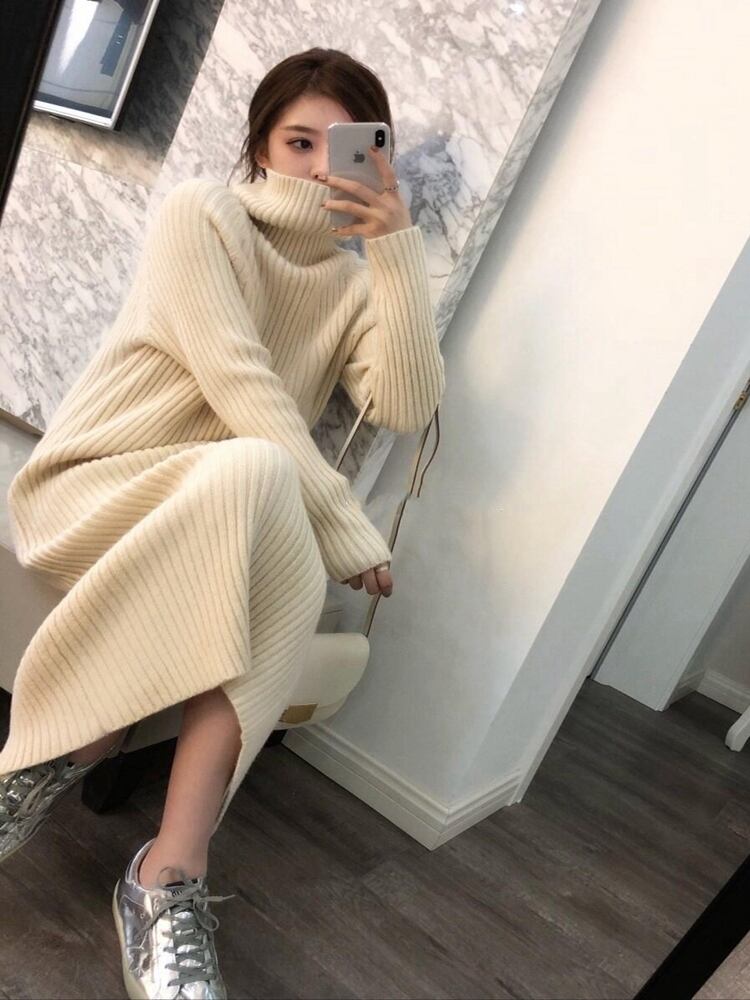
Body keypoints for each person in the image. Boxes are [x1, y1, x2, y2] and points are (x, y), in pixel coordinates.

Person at [0, 47, 445, 999]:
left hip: (223, 505)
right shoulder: (203, 214)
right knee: (262, 469)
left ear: (376, 159)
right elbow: (238, 380)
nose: (319, 167)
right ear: (259, 145)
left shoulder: (351, 287)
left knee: (263, 511)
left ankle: (167, 875)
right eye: (298, 142)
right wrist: (341, 523)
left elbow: (406, 400)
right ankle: (63, 751)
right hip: (95, 488)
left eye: (346, 149)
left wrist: (397, 246)